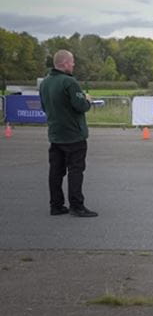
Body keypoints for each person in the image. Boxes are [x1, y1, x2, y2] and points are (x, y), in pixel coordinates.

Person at [39, 50, 98, 217]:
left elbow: (44, 107)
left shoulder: (45, 83)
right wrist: (87, 100)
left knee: (55, 171)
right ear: (64, 63)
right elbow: (80, 106)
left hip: (55, 134)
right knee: (76, 170)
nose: (73, 65)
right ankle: (76, 205)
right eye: (72, 62)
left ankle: (56, 205)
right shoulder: (69, 82)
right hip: (73, 135)